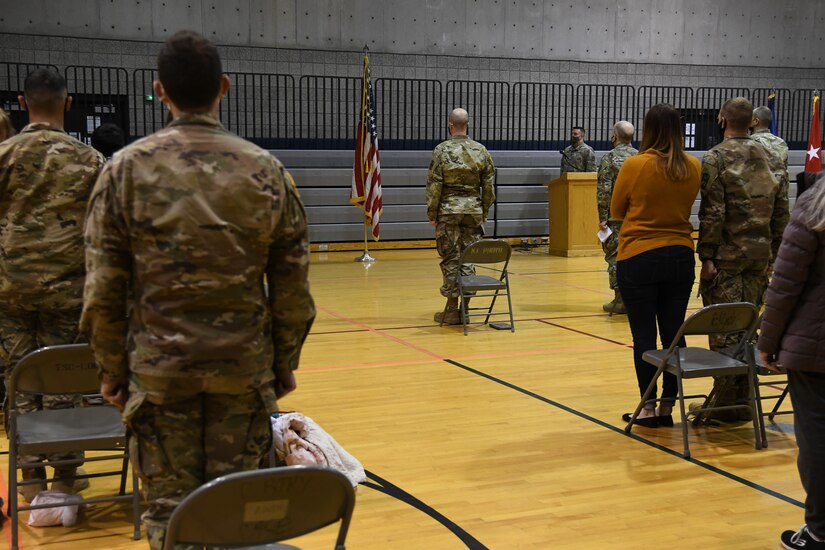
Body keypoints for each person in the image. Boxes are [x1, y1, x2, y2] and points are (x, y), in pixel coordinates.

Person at [80, 31, 315, 549]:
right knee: (239, 517)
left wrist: (112, 369)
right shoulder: (268, 173)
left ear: (160, 91)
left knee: (173, 520)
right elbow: (294, 288)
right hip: (243, 374)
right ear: (224, 88)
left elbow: (102, 291)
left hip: (161, 380)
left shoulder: (124, 172)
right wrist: (282, 362)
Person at [0, 68, 105, 499]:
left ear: (22, 104)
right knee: (63, 383)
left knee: (16, 384)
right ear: (68, 102)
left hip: (9, 293)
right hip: (69, 292)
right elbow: (105, 234)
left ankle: (28, 479)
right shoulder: (90, 161)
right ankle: (65, 478)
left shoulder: (3, 154)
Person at [697, 97, 789, 420]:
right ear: (751, 121)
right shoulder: (772, 156)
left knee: (724, 329)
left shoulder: (715, 158)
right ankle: (744, 399)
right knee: (749, 328)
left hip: (726, 258)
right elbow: (782, 210)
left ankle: (725, 404)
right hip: (759, 257)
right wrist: (775, 253)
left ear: (722, 119)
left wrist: (706, 256)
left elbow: (713, 212)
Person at [611, 104, 702, 427]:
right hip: (680, 254)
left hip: (639, 254)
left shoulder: (635, 164)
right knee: (674, 334)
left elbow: (617, 210)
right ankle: (667, 406)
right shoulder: (693, 165)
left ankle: (647, 407)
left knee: (644, 337)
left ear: (648, 130)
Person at [757, 172, 825, 550]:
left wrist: (767, 341)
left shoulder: (815, 205)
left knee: (817, 441)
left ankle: (819, 531)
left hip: (815, 347)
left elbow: (785, 283)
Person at [427, 107, 495, 325]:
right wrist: (484, 211)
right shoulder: (481, 150)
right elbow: (489, 187)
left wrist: (432, 212)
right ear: (468, 124)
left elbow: (435, 184)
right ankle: (465, 309)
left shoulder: (441, 150)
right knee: (468, 257)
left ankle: (450, 310)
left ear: (450, 124)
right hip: (473, 211)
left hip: (448, 211)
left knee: (450, 258)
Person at [597, 120, 637, 314]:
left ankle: (620, 300)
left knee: (615, 257)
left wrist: (603, 217)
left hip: (616, 216)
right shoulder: (641, 158)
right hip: (638, 217)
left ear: (615, 136)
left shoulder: (610, 159)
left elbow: (604, 191)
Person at [750, 106, 790, 196]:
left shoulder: (750, 142)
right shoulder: (781, 142)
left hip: (758, 192)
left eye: (750, 118)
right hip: (779, 191)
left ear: (756, 121)